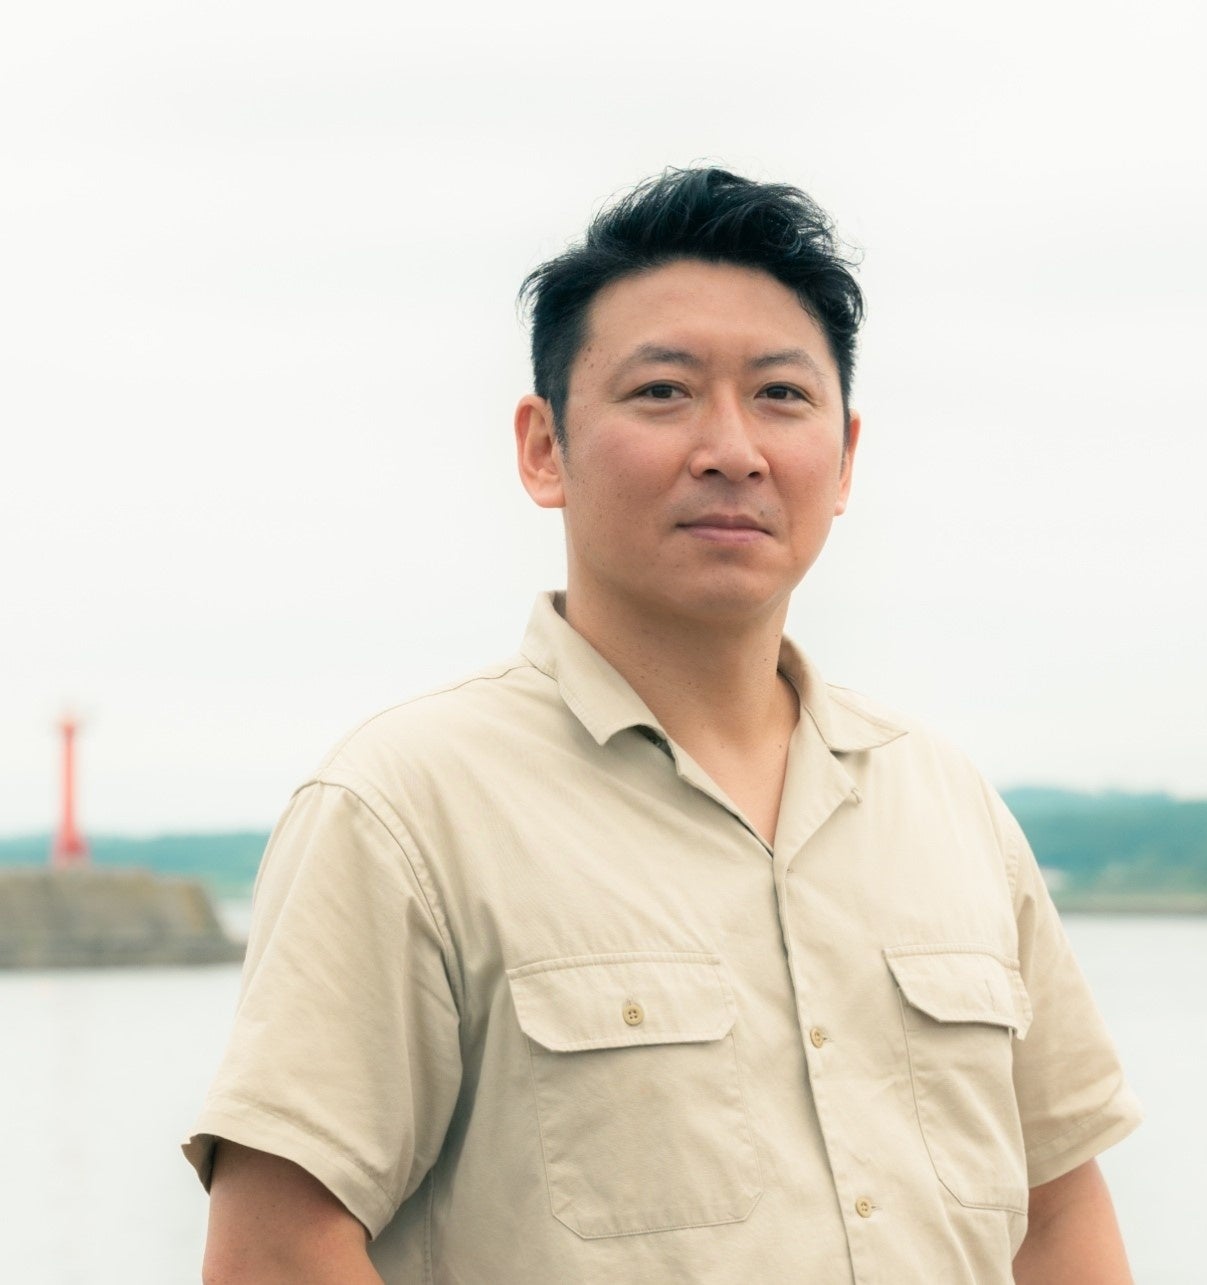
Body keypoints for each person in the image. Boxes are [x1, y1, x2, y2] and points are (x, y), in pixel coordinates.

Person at [186, 167, 1141, 1284]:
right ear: (544, 447)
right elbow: (275, 1249)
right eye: (663, 392)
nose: (732, 448)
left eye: (781, 394)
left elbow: (1057, 1215)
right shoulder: (403, 805)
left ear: (845, 458)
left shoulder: (946, 801)